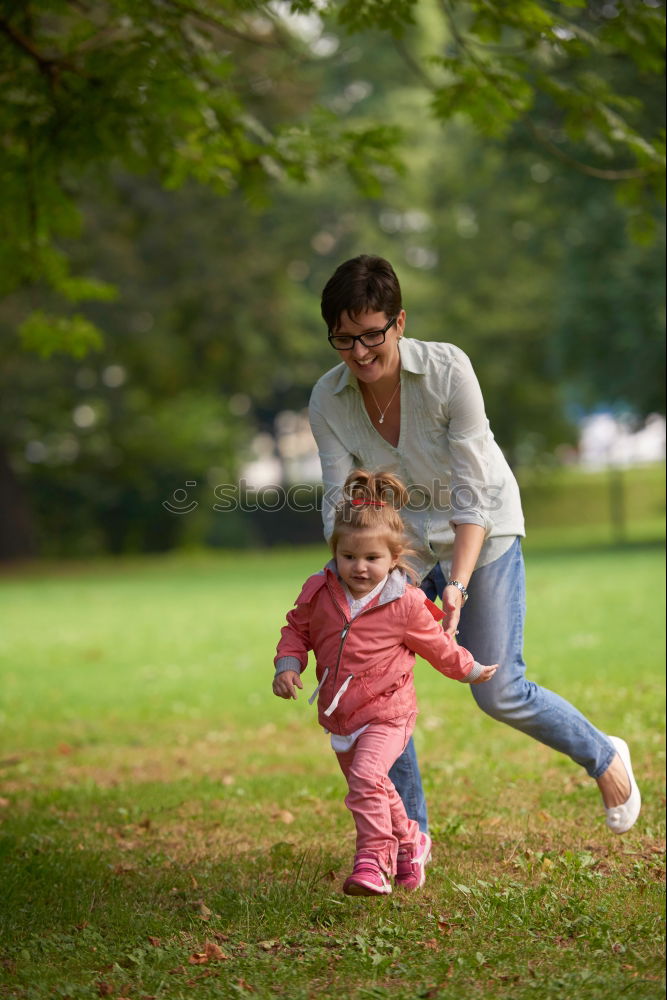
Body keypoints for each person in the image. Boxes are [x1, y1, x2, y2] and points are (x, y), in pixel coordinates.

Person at [306, 254, 641, 837]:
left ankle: (605, 756)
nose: (358, 353)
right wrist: (355, 581)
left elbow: (474, 492)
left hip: (482, 534)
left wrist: (457, 584)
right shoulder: (327, 400)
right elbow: (340, 500)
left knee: (499, 689)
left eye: (370, 336)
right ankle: (408, 838)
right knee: (375, 684)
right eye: (343, 339)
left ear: (399, 322)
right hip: (400, 548)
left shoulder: (447, 371)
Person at [273, 469, 498, 896]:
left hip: (388, 713)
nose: (359, 567)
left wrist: (469, 668)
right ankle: (412, 841)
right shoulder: (319, 591)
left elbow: (437, 646)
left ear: (393, 558)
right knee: (377, 785)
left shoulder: (406, 603)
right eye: (349, 557)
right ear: (335, 553)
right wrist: (288, 664)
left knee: (365, 778)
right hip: (341, 715)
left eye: (372, 558)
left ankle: (373, 861)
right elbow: (297, 629)